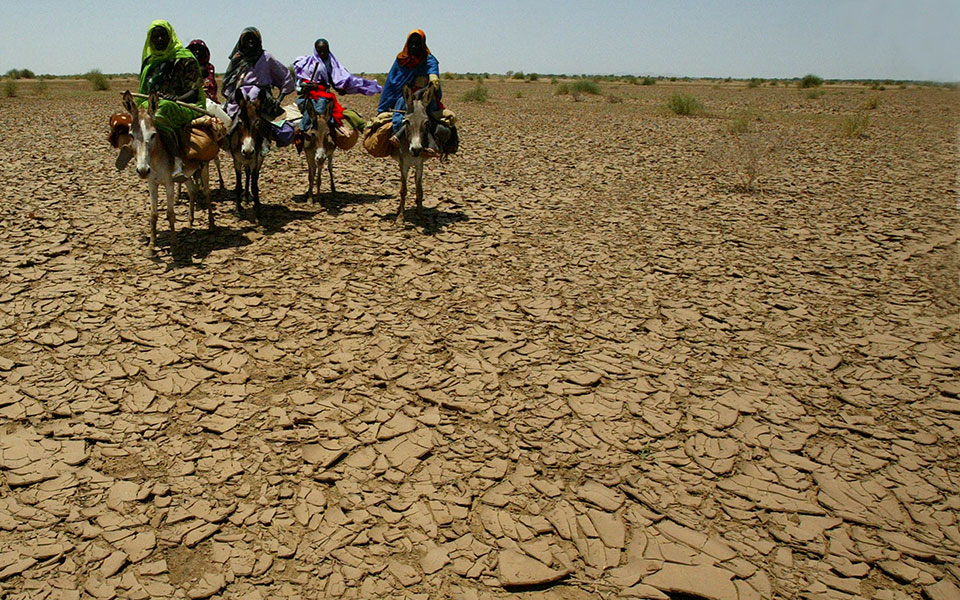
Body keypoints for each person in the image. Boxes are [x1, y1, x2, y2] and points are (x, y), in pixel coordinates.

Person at [137, 20, 206, 181]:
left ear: (171, 36)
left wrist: (176, 99)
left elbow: (194, 91)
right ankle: (136, 153)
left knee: (163, 110)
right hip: (155, 104)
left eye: (163, 35)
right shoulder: (150, 62)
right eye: (155, 36)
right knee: (138, 115)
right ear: (150, 40)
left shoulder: (185, 58)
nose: (159, 39)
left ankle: (177, 161)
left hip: (185, 105)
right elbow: (145, 90)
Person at [377, 30, 455, 154]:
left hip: (425, 95)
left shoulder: (429, 60)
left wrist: (430, 83)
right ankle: (398, 139)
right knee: (400, 110)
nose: (414, 46)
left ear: (422, 44)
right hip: (406, 94)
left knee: (427, 116)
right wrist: (385, 105)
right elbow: (392, 82)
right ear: (407, 44)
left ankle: (431, 142)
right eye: (411, 43)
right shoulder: (401, 60)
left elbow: (433, 77)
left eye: (417, 43)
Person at [221, 27, 295, 147]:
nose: (250, 41)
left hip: (261, 97)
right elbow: (229, 80)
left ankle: (264, 138)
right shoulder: (237, 58)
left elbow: (285, 76)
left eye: (253, 38)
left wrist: (279, 100)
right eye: (247, 39)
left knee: (283, 128)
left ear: (259, 40)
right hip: (239, 97)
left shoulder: (266, 57)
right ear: (241, 41)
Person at [291, 38, 381, 135]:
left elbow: (333, 80)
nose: (322, 54)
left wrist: (342, 89)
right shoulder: (307, 63)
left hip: (323, 95)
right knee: (310, 111)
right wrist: (305, 86)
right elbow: (299, 85)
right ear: (315, 50)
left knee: (324, 109)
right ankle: (302, 130)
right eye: (319, 51)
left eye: (325, 51)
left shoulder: (331, 63)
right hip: (308, 95)